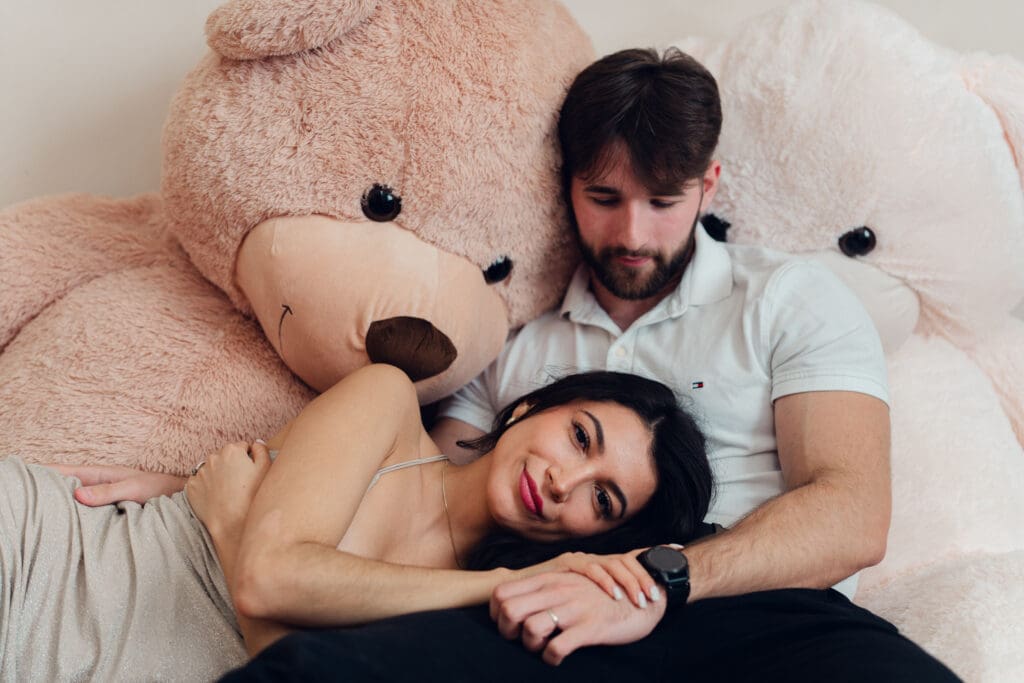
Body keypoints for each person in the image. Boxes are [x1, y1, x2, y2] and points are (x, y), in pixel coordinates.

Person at [222, 48, 960, 681]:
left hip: (762, 606)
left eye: (664, 201)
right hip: (550, 615)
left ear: (709, 186)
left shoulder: (787, 297)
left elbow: (854, 516)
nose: (632, 233)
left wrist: (656, 581)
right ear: (567, 183)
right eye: (603, 197)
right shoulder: (517, 337)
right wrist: (230, 478)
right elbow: (426, 494)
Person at [2, 365, 713, 681]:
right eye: (581, 437)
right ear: (531, 407)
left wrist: (231, 522)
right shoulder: (387, 402)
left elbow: (278, 634)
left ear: (596, 538)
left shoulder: (469, 632)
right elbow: (268, 576)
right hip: (55, 557)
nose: (565, 480)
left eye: (604, 500)